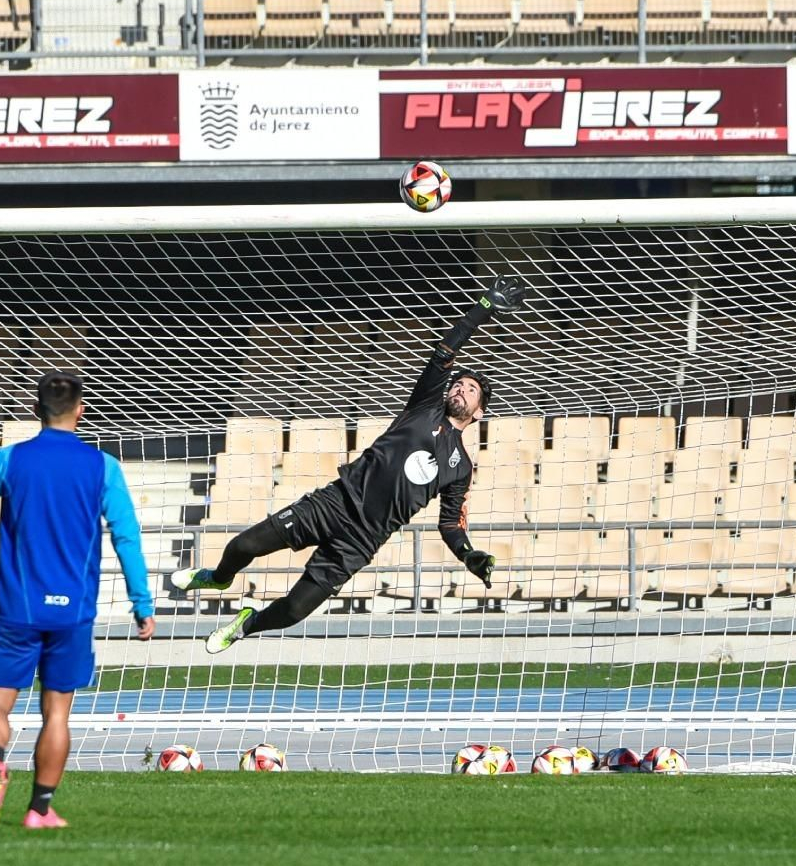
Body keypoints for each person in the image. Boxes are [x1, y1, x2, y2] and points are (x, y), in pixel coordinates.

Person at [171, 277, 528, 654]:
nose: (461, 389)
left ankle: (246, 624)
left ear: (479, 413)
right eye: (458, 384)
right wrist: (483, 309)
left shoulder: (461, 467)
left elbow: (450, 522)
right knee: (245, 544)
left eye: (470, 389)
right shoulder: (424, 407)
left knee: (296, 608)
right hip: (335, 502)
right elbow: (443, 352)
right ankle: (219, 577)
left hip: (363, 538)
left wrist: (468, 554)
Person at [0, 371, 155, 831]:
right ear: (81, 411)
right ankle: (40, 808)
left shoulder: (10, 460)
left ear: (36, 411)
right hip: (73, 612)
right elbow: (126, 536)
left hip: (19, 608)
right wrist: (142, 602)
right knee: (57, 713)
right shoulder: (103, 466)